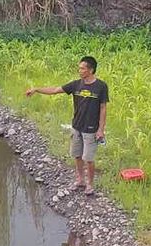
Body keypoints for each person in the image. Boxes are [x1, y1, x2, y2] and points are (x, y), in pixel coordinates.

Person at [25, 56, 109, 195]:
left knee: (88, 158)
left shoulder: (101, 86)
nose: (80, 70)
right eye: (79, 68)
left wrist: (101, 129)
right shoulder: (76, 84)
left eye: (82, 68)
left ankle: (90, 185)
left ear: (91, 70)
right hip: (77, 126)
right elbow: (55, 90)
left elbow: (103, 108)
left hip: (91, 129)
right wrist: (36, 89)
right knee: (77, 155)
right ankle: (80, 180)